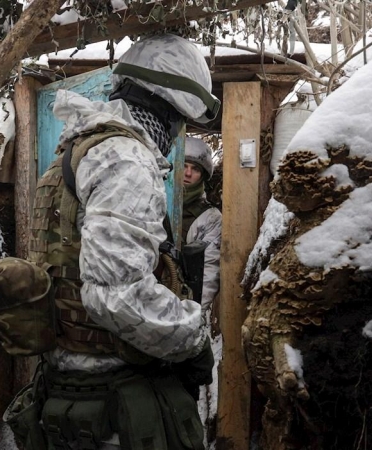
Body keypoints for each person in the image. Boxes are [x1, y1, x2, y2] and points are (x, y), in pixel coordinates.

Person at [13, 34, 221, 450]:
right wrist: (192, 337)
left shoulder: (75, 151)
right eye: (179, 121)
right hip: (111, 400)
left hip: (68, 387)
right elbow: (115, 295)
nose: (176, 133)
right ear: (167, 109)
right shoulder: (123, 159)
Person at [182, 137, 222, 315]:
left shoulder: (210, 217)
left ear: (202, 176)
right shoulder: (155, 200)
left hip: (182, 301)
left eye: (195, 169)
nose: (187, 173)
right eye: (183, 165)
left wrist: (195, 316)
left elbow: (208, 273)